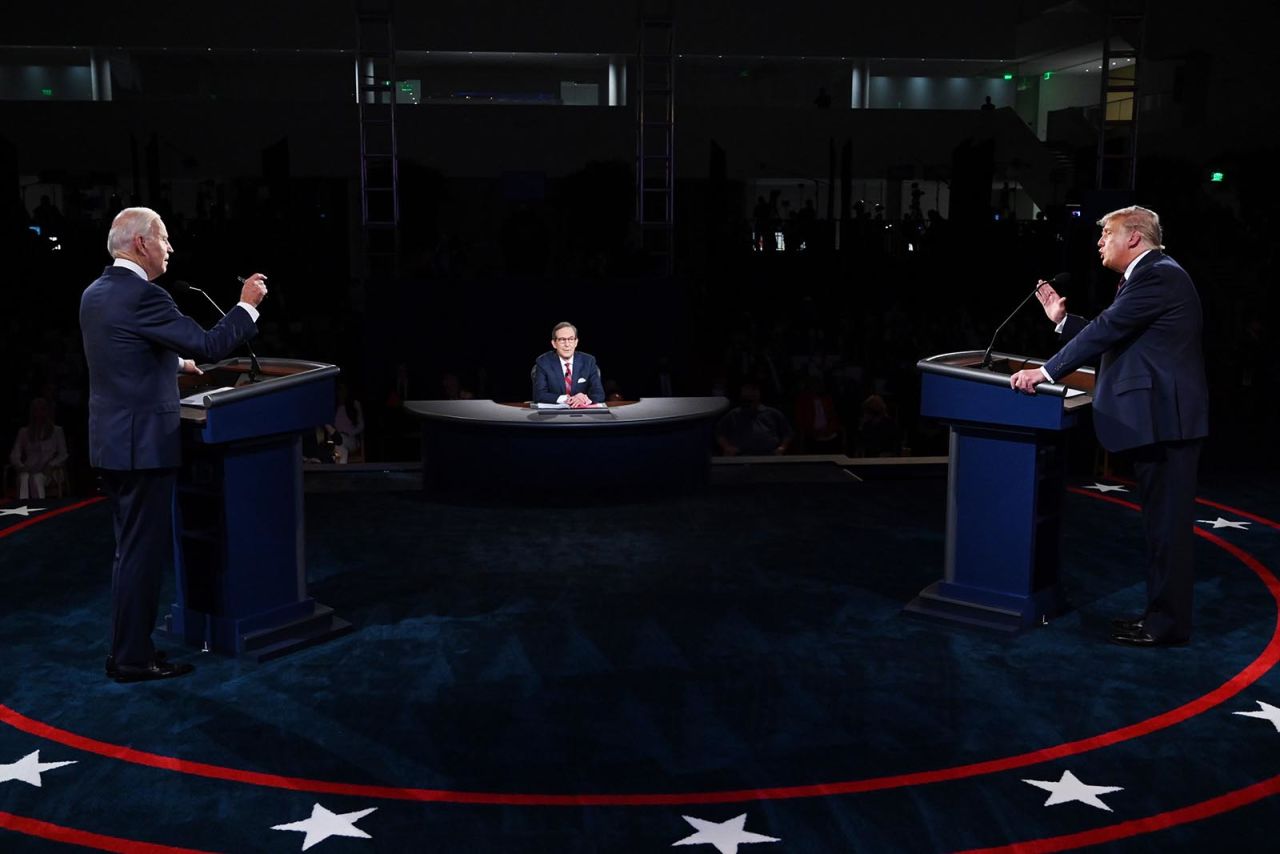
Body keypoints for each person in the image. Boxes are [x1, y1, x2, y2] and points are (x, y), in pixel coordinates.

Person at [80, 207, 268, 683]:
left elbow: (124, 354)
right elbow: (210, 343)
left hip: (112, 443)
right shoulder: (145, 296)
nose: (169, 248)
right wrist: (246, 305)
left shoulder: (95, 294)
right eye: (164, 238)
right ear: (141, 243)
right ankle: (131, 660)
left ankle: (128, 650)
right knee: (141, 556)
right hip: (143, 447)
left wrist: (173, 364)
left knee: (130, 552)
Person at [1010, 205, 1208, 647]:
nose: (1100, 242)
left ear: (1134, 237)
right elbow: (1118, 335)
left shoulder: (1159, 275)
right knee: (1160, 528)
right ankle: (1159, 617)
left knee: (1168, 530)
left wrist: (1045, 373)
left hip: (1168, 422)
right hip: (1161, 421)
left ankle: (1168, 624)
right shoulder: (1147, 276)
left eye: (1107, 234)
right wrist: (1063, 321)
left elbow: (1109, 328)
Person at [531, 322, 605, 407]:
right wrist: (566, 399)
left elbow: (599, 394)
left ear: (576, 342)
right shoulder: (543, 362)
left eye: (570, 339)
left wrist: (584, 398)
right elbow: (539, 395)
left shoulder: (588, 361)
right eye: (562, 339)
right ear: (554, 343)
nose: (567, 344)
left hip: (583, 415)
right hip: (554, 416)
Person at [8, 398, 68, 499]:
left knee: (37, 478)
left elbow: (63, 454)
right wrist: (20, 466)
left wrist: (51, 465)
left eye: (42, 410)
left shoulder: (57, 431)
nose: (39, 413)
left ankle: (39, 507)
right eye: (36, 410)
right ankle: (24, 507)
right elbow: (15, 454)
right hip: (29, 468)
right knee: (24, 477)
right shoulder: (24, 432)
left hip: (50, 471)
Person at [716, 382, 793, 456]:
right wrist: (727, 447)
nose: (750, 394)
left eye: (753, 390)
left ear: (758, 393)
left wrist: (782, 448)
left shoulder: (773, 413)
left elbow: (787, 433)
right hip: (742, 455)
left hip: (769, 455)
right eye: (747, 391)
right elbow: (719, 432)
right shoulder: (734, 414)